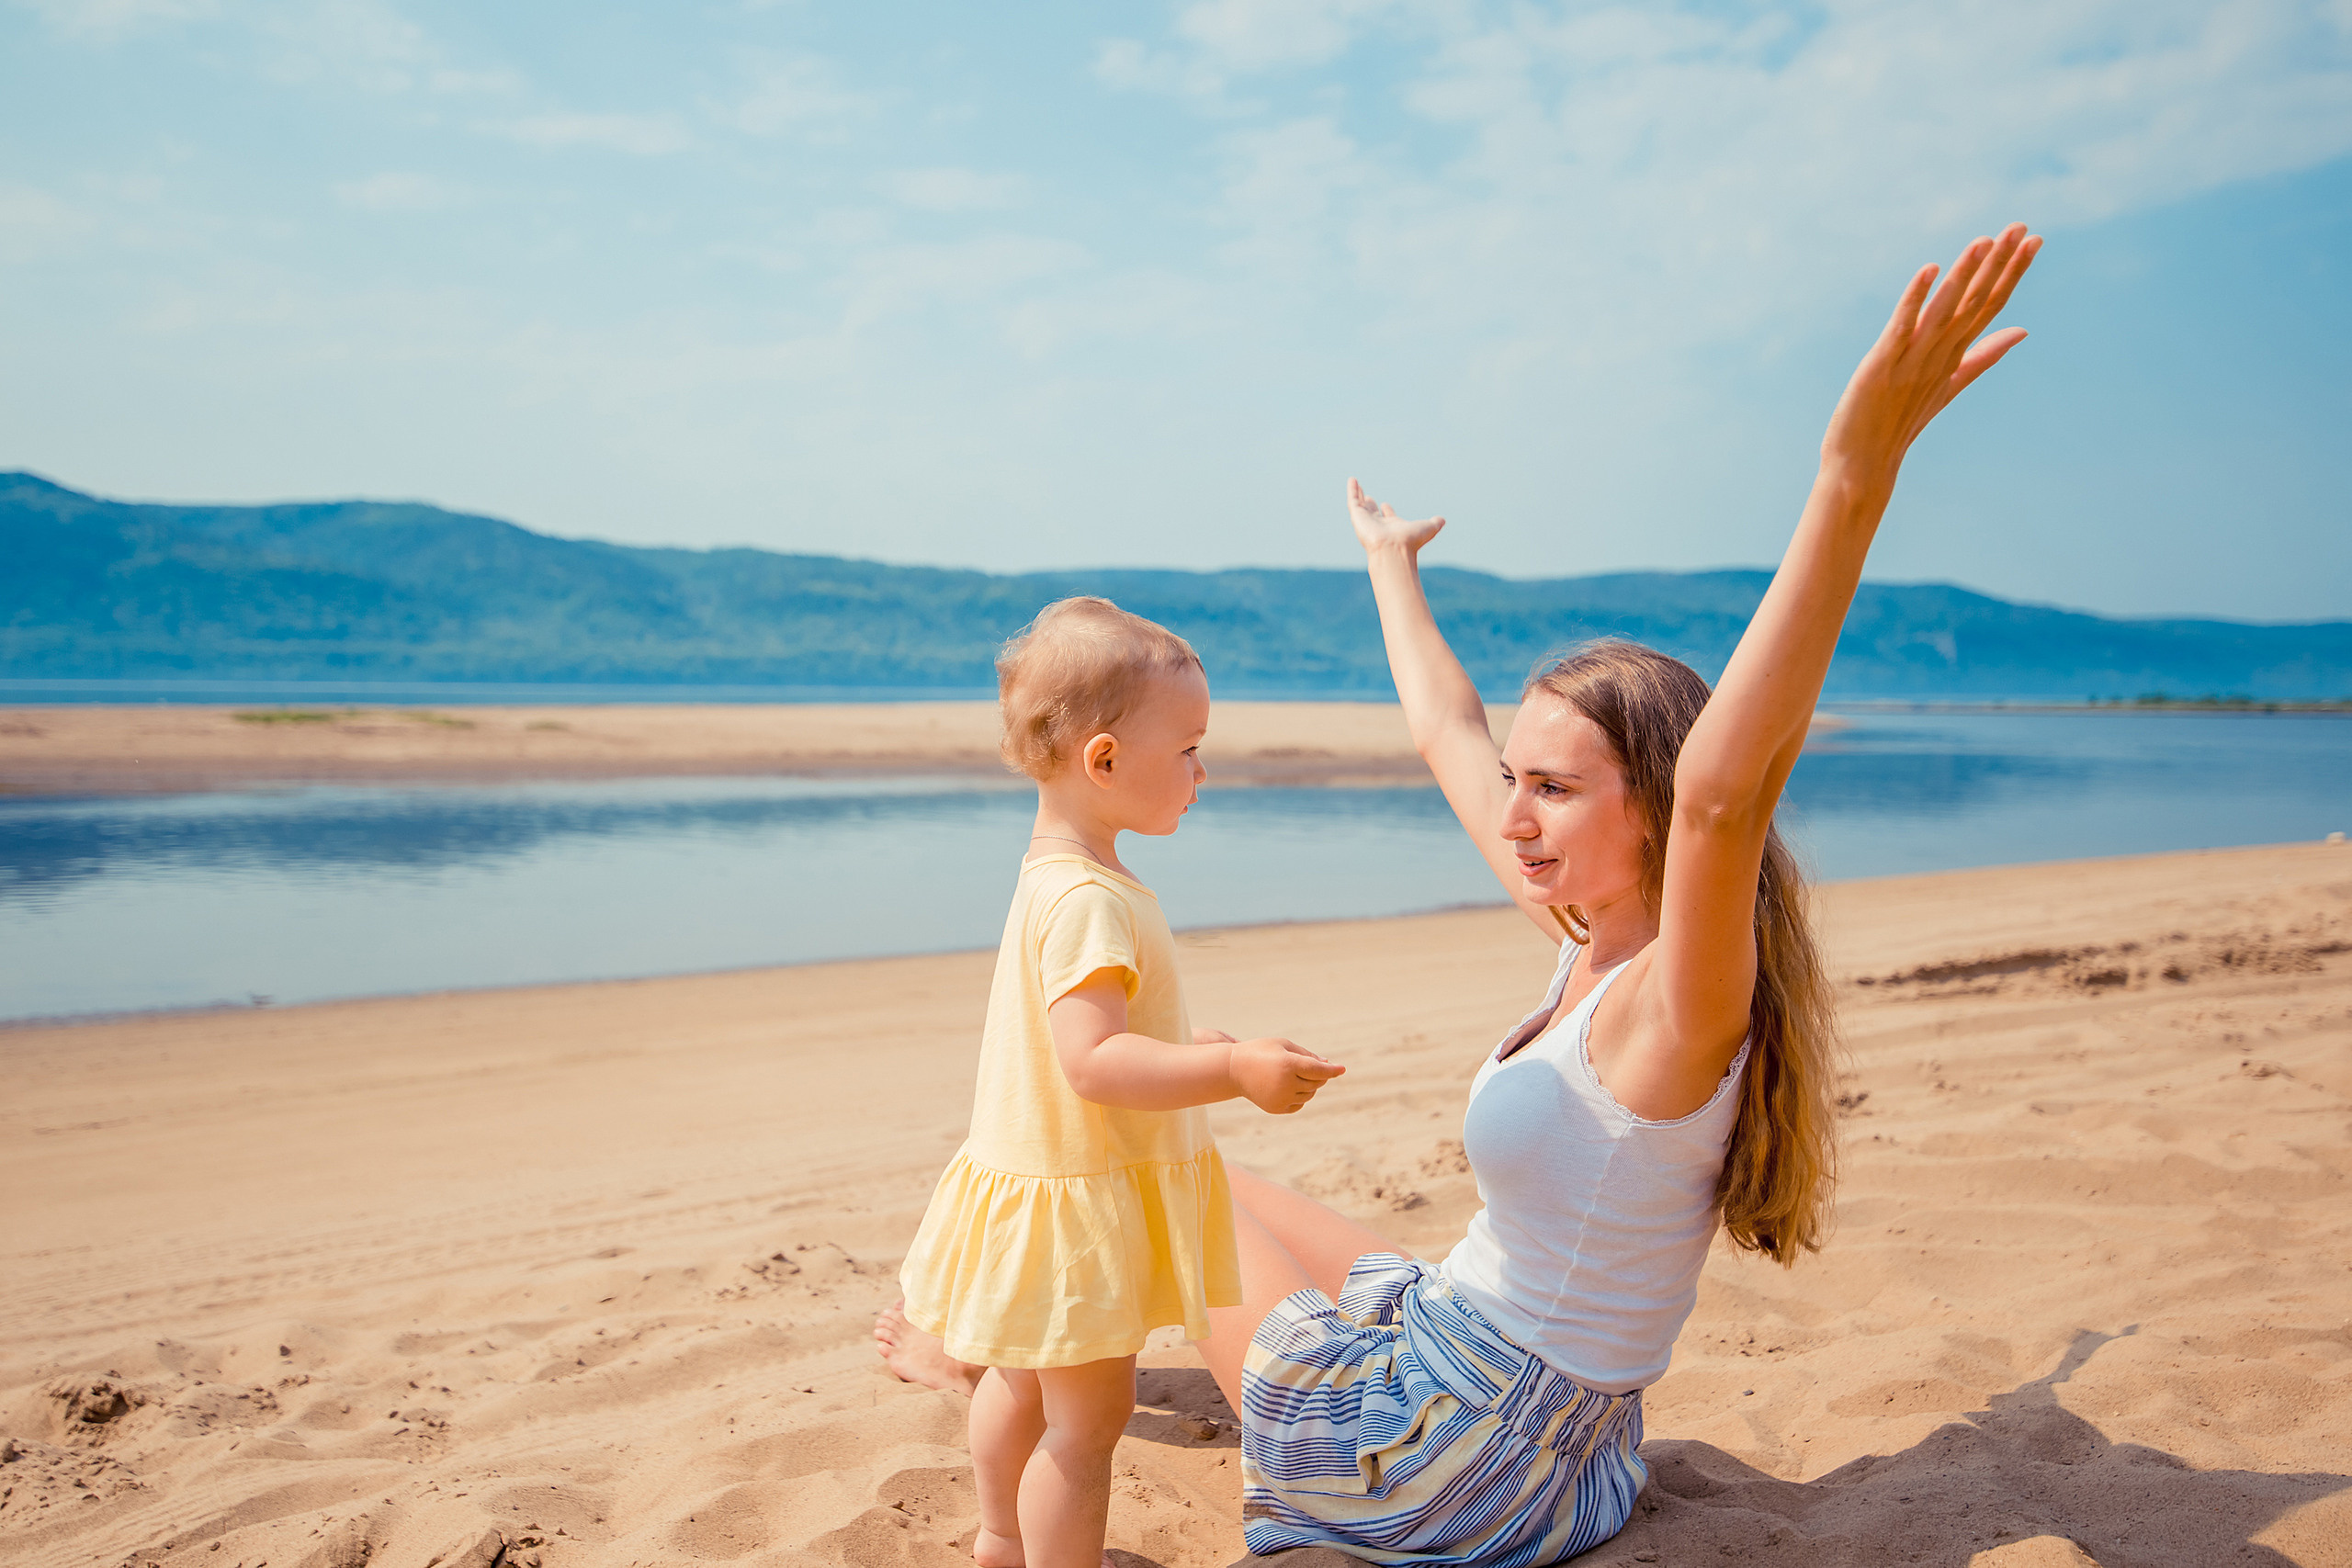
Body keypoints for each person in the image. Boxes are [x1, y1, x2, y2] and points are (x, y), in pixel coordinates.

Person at [1188, 223, 2043, 1566]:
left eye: (1555, 789)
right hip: (1557, 1442)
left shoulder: (1672, 1008)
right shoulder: (1589, 937)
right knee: (1217, 1171)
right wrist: (1390, 561)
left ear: (1650, 807)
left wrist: (1852, 474)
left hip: (1458, 1454)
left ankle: (982, 1361)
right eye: (1518, 783)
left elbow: (1726, 791)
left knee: (1164, 1188)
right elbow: (1448, 731)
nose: (1514, 817)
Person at [891, 595, 1348, 1568]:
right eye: (1187, 749)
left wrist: (1185, 1043)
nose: (1201, 771)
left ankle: (1000, 1538)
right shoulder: (1091, 900)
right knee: (1088, 1422)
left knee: (1020, 1381)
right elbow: (1093, 1062)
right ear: (1102, 760)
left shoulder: (1052, 873)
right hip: (1076, 1210)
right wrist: (1229, 1069)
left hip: (1036, 1184)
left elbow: (1099, 1035)